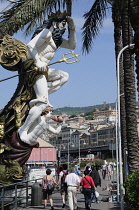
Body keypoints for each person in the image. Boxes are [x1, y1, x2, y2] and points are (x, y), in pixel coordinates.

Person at [18, 12, 76, 143]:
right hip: (34, 69)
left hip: (44, 70)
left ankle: (42, 96)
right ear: (55, 24)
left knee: (64, 76)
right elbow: (30, 45)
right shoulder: (46, 33)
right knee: (42, 104)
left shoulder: (56, 41)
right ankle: (23, 130)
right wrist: (38, 61)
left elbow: (72, 45)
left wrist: (72, 29)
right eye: (63, 25)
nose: (64, 28)